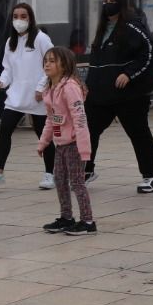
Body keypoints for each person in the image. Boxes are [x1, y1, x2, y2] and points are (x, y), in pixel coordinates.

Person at [83, 0, 153, 192]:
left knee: (138, 132)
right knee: (89, 130)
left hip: (129, 95)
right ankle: (86, 170)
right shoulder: (103, 28)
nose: (107, 4)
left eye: (111, 0)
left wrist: (129, 73)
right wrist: (88, 85)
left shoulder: (132, 27)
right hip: (100, 93)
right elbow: (96, 60)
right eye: (104, 0)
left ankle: (150, 176)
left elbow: (149, 53)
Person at [0, 3, 56, 191]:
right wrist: (2, 81)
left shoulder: (41, 39)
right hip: (15, 97)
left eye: (23, 16)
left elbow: (52, 64)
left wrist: (41, 88)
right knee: (4, 130)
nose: (19, 20)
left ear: (30, 18)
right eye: (15, 16)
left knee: (43, 135)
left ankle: (50, 173)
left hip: (37, 97)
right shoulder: (10, 42)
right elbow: (8, 68)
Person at [34, 47, 95, 236]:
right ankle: (66, 218)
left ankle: (87, 221)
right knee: (59, 180)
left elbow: (79, 117)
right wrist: (44, 141)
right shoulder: (50, 89)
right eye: (46, 60)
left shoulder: (70, 87)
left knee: (77, 182)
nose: (47, 64)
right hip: (60, 144)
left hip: (74, 144)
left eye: (52, 61)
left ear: (64, 65)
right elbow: (51, 119)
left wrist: (84, 148)